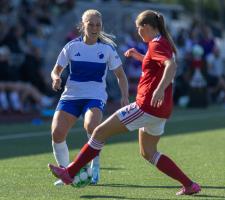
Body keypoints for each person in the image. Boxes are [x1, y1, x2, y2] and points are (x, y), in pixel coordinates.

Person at [48, 10, 201, 196]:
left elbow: (171, 66)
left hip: (146, 106)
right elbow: (157, 65)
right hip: (161, 110)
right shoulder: (161, 43)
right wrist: (139, 56)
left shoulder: (156, 44)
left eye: (139, 29)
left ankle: (69, 173)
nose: (138, 33)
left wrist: (160, 89)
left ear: (145, 27)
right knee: (148, 152)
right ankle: (189, 185)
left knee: (98, 132)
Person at [50, 9, 129, 186]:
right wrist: (56, 78)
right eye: (90, 24)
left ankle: (95, 165)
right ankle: (65, 172)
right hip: (71, 96)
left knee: (92, 126)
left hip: (95, 96)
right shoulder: (71, 47)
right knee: (57, 133)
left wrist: (125, 96)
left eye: (98, 25)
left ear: (101, 27)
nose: (94, 28)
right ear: (83, 25)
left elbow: (121, 75)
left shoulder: (107, 49)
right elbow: (56, 70)